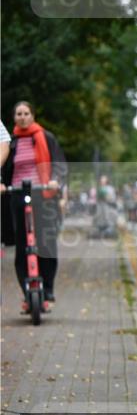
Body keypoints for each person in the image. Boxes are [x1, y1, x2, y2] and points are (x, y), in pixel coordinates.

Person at [0, 101, 68, 311]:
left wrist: (55, 180)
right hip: (17, 194)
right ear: (14, 118)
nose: (22, 117)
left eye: (26, 113)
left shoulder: (45, 137)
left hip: (43, 193)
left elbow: (58, 163)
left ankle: (47, 289)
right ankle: (26, 293)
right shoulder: (11, 143)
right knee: (22, 245)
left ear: (33, 115)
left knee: (46, 242)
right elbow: (4, 166)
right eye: (18, 114)